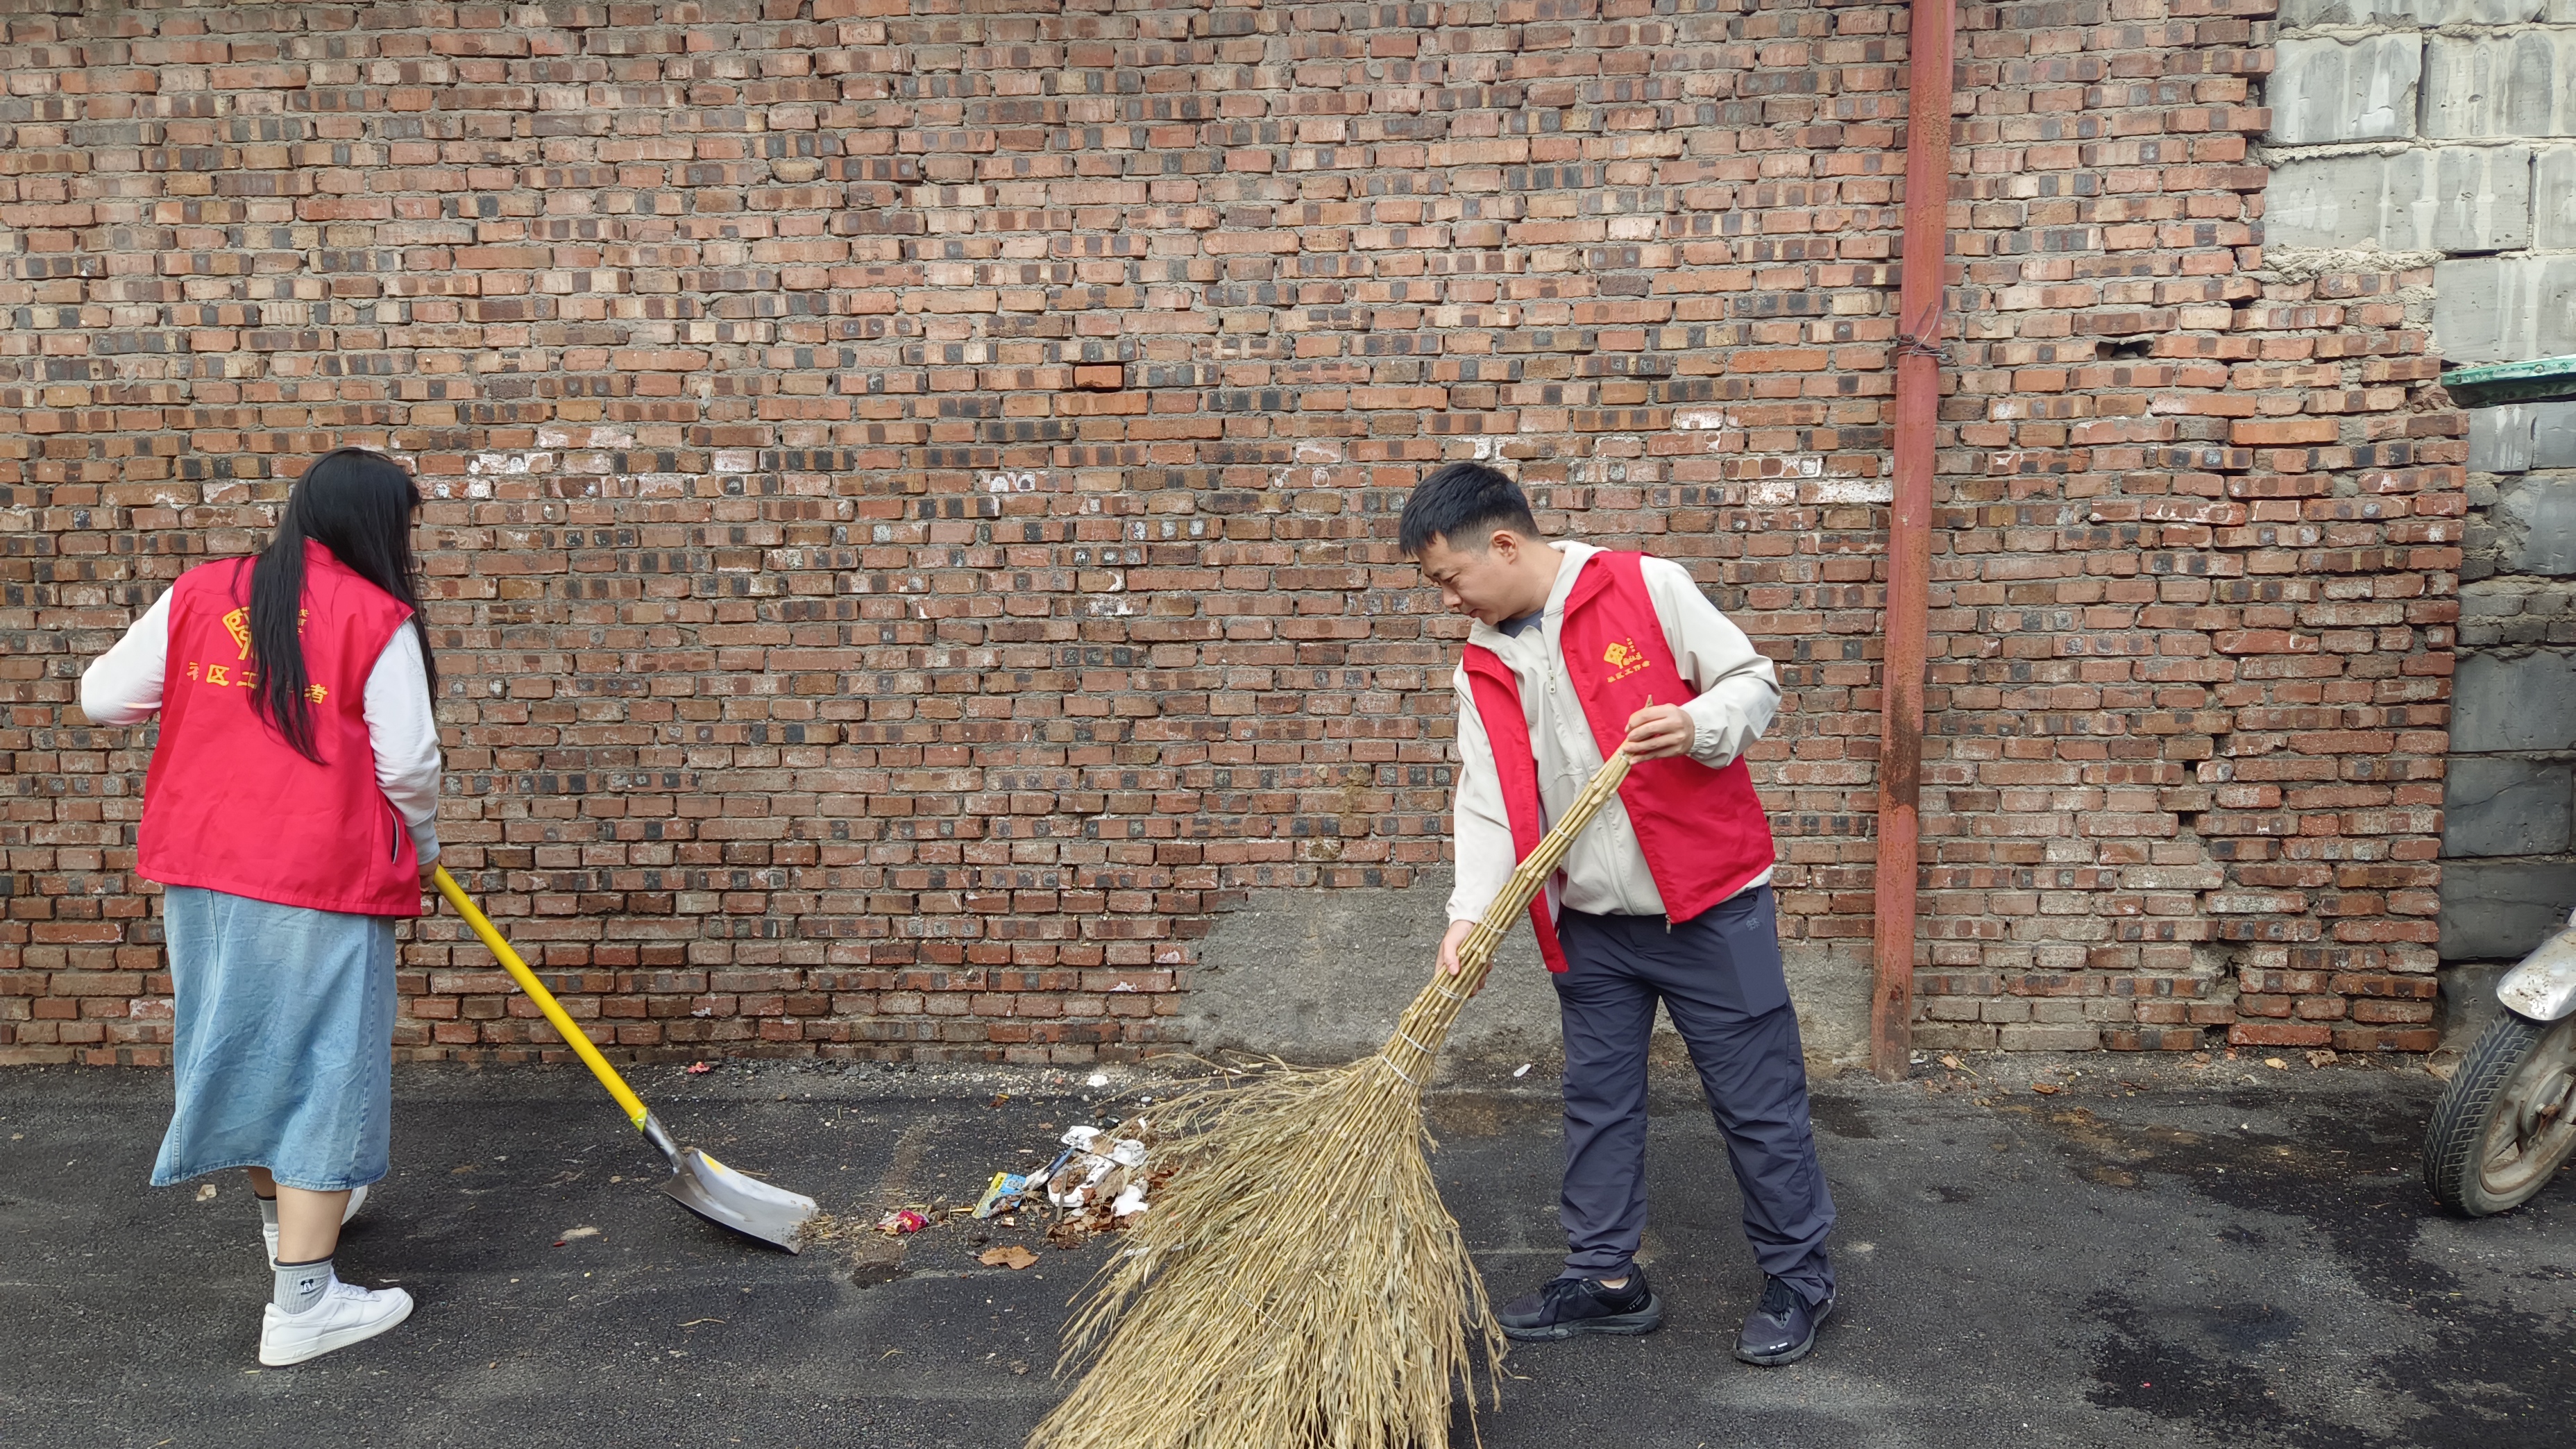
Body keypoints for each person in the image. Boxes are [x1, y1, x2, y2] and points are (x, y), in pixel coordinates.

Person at [1403, 461, 1838, 1365]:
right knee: (1598, 1104)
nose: (1448, 599)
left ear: (1506, 544)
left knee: (1757, 1103)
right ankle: (1605, 1279)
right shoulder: (1483, 662)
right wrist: (1469, 915)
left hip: (1712, 908)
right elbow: (1486, 801)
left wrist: (1695, 726)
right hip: (1590, 924)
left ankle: (1799, 1277)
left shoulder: (1646, 586)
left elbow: (1753, 683)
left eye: (1451, 577)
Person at [82, 448, 443, 1367]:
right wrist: (421, 846)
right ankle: (305, 1304)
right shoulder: (374, 614)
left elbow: (103, 698)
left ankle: (290, 1235)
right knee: (326, 1065)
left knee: (243, 1044)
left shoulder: (203, 591)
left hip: (204, 865)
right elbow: (408, 764)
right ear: (377, 525)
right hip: (318, 870)